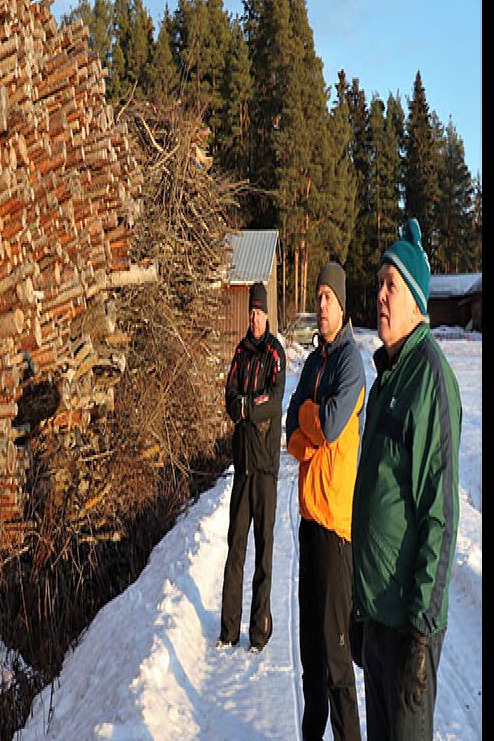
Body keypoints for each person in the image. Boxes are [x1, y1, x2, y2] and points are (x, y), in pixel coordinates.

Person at [350, 218, 462, 741]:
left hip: (408, 628)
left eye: (391, 285)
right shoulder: (386, 378)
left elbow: (439, 517)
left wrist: (421, 633)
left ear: (417, 300)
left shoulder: (430, 381)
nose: (380, 295)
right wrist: (359, 603)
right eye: (377, 284)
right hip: (377, 617)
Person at [285, 261, 366, 741]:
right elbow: (289, 425)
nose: (321, 306)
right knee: (310, 658)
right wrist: (306, 431)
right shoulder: (315, 362)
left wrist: (308, 424)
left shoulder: (349, 363)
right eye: (317, 297)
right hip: (308, 522)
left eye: (328, 298)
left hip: (336, 528)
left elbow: (331, 424)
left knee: (337, 662)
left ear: (341, 304)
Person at [218, 281, 286, 653]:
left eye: (259, 312)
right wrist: (244, 406)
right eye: (251, 311)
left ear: (267, 314)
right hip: (242, 467)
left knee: (263, 553)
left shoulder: (275, 353)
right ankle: (229, 631)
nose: (255, 318)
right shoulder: (240, 353)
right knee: (235, 552)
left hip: (266, 471)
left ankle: (259, 633)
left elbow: (273, 401)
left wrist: (247, 407)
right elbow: (230, 398)